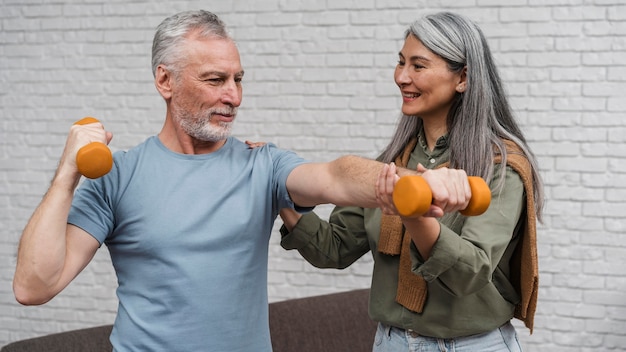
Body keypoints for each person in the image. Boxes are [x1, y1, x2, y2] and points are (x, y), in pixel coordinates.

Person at [12, 10, 473, 352]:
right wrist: (66, 177)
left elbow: (336, 175)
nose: (232, 96)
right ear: (164, 80)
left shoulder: (262, 165)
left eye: (237, 79)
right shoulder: (117, 175)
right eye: (214, 80)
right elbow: (34, 287)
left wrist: (411, 183)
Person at [278, 11, 544, 352]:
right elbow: (334, 247)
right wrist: (277, 185)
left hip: (471, 346)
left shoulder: (500, 166)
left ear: (462, 77)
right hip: (392, 342)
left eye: (418, 66)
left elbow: (469, 274)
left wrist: (415, 213)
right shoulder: (393, 164)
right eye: (401, 63)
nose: (402, 77)